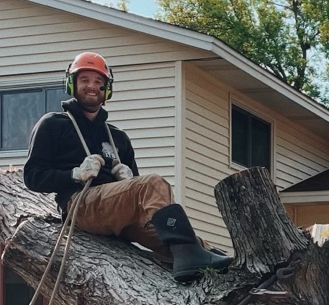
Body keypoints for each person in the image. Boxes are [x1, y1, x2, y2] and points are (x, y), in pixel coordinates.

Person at [24, 51, 232, 283]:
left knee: (175, 241)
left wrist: (127, 179)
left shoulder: (117, 137)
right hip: (79, 206)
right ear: (72, 84)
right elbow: (33, 177)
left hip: (119, 215)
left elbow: (144, 196)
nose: (91, 86)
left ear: (107, 89)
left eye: (98, 82)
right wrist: (74, 174)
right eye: (84, 80)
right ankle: (191, 256)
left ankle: (215, 261)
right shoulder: (54, 124)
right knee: (153, 183)